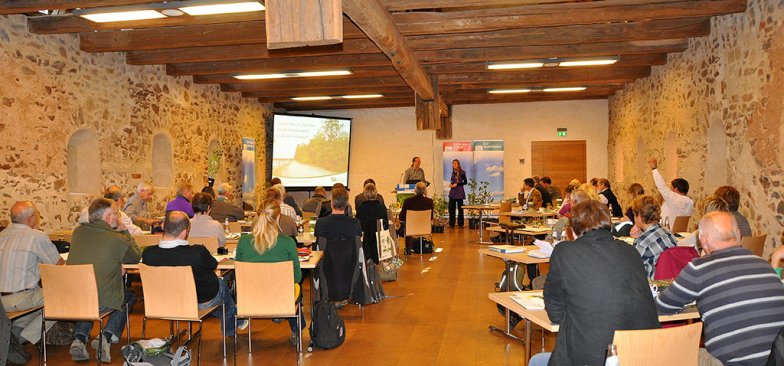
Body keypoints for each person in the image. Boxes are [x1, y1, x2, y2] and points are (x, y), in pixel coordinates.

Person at [528, 200, 659, 366]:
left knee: (536, 361)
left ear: (574, 229)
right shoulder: (630, 251)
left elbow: (555, 311)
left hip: (595, 356)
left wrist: (580, 319)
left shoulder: (564, 251)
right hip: (643, 354)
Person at [657, 211, 784, 365]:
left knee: (675, 352)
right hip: (774, 360)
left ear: (703, 241)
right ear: (738, 234)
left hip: (729, 363)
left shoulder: (699, 268)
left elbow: (661, 307)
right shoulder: (763, 264)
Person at [142, 211, 245, 338]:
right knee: (221, 286)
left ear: (163, 226)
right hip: (201, 301)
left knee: (219, 295)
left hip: (164, 301)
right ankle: (232, 326)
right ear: (185, 232)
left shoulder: (148, 254)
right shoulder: (197, 252)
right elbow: (213, 265)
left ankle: (233, 316)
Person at [67, 198, 141, 363]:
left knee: (89, 295)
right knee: (127, 296)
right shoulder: (117, 238)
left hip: (74, 299)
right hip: (100, 300)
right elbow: (135, 256)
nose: (118, 217)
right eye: (116, 213)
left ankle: (79, 338)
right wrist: (125, 231)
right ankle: (106, 337)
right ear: (108, 218)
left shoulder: (77, 233)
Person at [235, 198, 304, 346]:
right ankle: (296, 329)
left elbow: (238, 275)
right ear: (278, 217)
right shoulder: (288, 243)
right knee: (297, 288)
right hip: (281, 297)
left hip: (251, 298)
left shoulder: (243, 242)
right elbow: (297, 277)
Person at [0, 202, 62, 348]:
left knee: (36, 298)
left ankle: (13, 333)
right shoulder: (36, 236)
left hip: (1, 302)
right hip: (22, 297)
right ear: (30, 218)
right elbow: (57, 265)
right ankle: (20, 339)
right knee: (63, 299)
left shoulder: (1, 235)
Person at [631, 195, 678, 279]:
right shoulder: (669, 234)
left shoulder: (641, 244)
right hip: (671, 281)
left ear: (640, 216)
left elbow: (634, 271)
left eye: (635, 215)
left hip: (652, 285)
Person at [78, 185, 143, 235]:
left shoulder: (85, 211)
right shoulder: (119, 215)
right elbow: (136, 232)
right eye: (122, 199)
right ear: (120, 199)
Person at [649, 158, 694, 227]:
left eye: (671, 188)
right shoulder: (690, 203)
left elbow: (662, 187)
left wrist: (654, 169)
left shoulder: (676, 199)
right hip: (680, 233)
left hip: (667, 233)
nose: (670, 191)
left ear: (675, 189)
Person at [355, 182, 389, 263]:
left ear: (365, 195)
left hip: (366, 241)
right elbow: (386, 225)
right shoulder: (382, 208)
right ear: (376, 194)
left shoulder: (361, 208)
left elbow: (358, 226)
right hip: (379, 240)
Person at [398, 182, 433, 254]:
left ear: (415, 190)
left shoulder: (408, 201)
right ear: (425, 191)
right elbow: (431, 217)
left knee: (405, 226)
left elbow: (401, 217)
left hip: (410, 229)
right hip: (425, 228)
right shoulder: (429, 202)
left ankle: (408, 249)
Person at [448, 159, 467, 228]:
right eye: (453, 163)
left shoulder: (462, 172)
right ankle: (451, 224)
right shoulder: (453, 172)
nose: (454, 165)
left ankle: (461, 224)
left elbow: (465, 182)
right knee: (451, 208)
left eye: (455, 163)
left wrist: (457, 184)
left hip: (459, 192)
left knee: (460, 209)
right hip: (453, 192)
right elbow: (452, 181)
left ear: (458, 164)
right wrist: (451, 184)